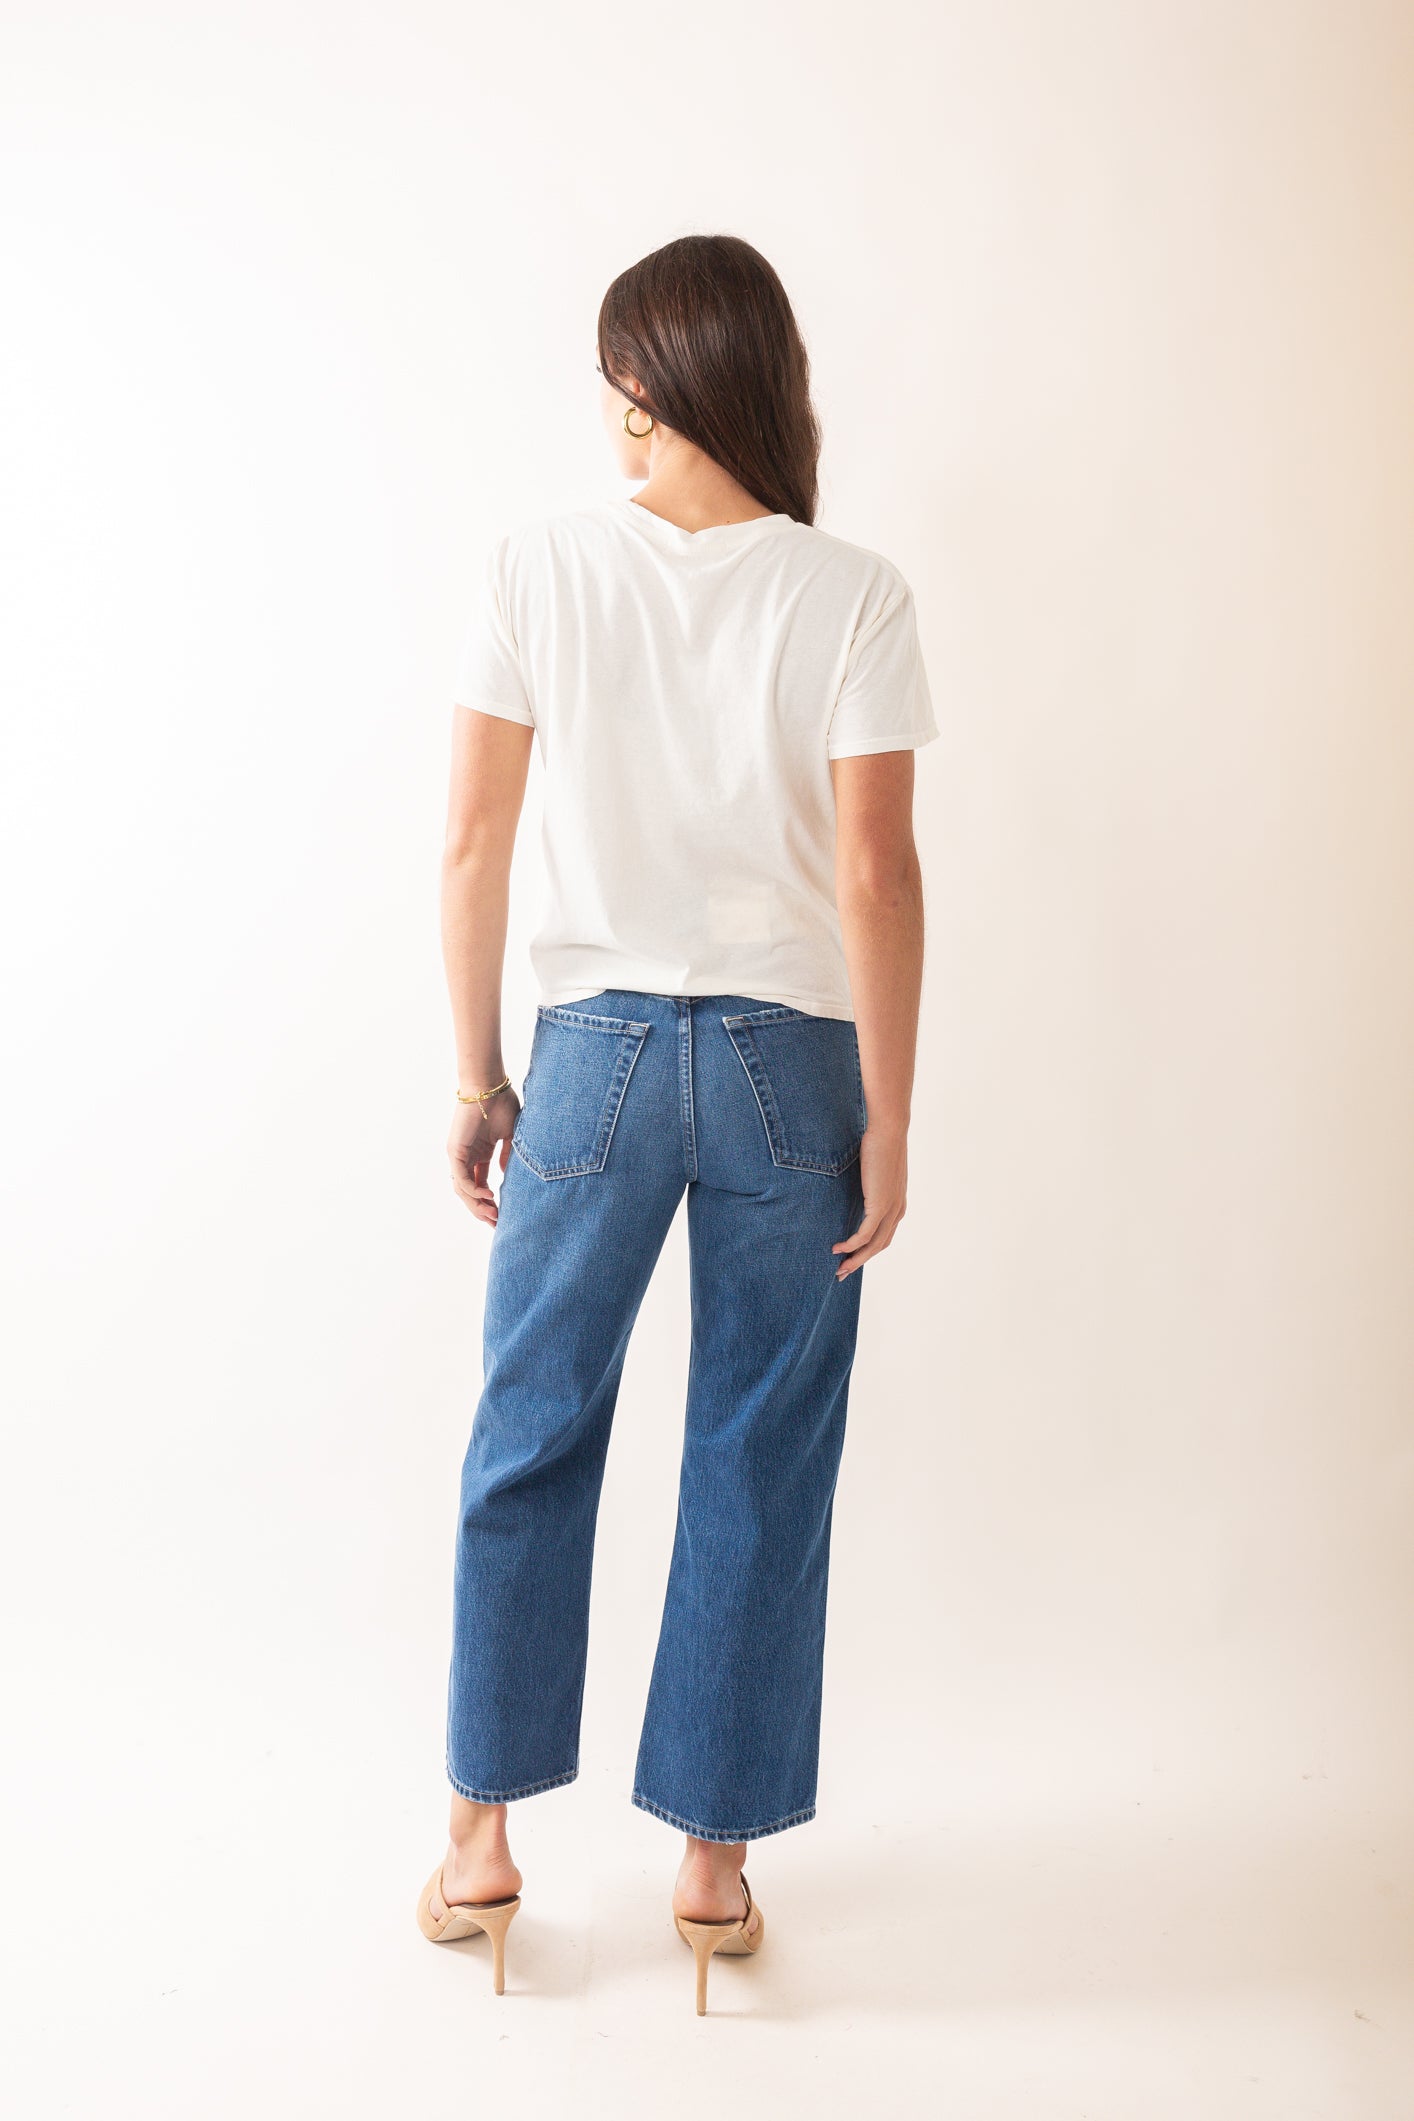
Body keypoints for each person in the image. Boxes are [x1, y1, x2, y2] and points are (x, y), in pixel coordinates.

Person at [415, 234, 938, 2013]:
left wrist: (478, 1074)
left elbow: (472, 842)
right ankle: (710, 1867)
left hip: (594, 1054)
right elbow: (877, 872)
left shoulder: (537, 567)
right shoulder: (852, 591)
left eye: (617, 380)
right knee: (759, 1447)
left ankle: (483, 1842)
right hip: (797, 1061)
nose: (609, 412)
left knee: (531, 1427)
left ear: (655, 381)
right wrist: (889, 1115)